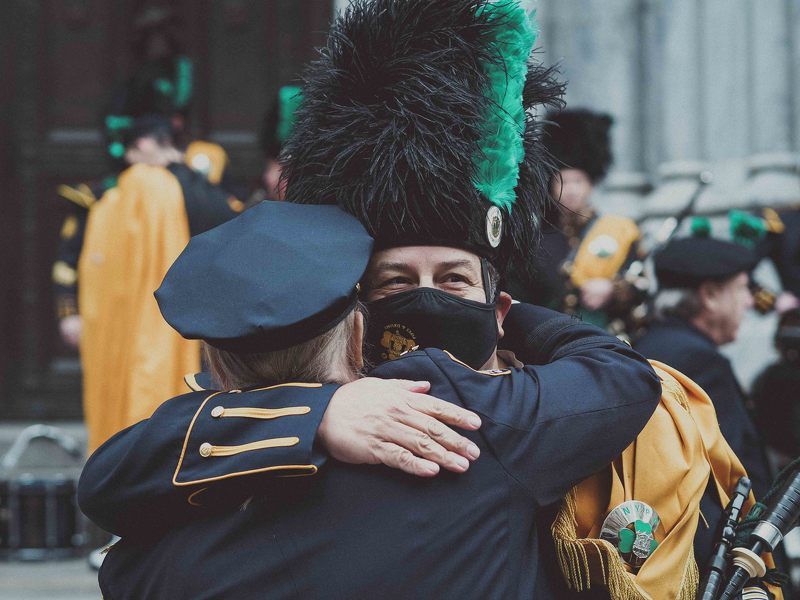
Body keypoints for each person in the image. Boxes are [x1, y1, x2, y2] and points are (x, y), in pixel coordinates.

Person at [81, 196, 662, 599]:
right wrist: (497, 317)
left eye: (454, 281)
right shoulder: (456, 410)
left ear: (213, 359)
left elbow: (107, 488)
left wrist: (308, 417)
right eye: (398, 283)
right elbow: (620, 376)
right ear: (360, 327)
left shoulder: (164, 520)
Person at [79, 113, 241, 454]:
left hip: (161, 317)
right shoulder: (165, 187)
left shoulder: (134, 192)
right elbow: (226, 220)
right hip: (183, 313)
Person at [633, 236, 774, 560]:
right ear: (709, 295)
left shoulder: (654, 344)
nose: (749, 301)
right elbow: (729, 475)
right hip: (717, 555)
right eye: (743, 288)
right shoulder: (700, 362)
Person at [505, 109, 647, 335]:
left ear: (591, 183)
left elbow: (640, 282)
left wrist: (613, 289)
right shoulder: (536, 238)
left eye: (578, 181)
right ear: (551, 186)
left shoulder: (618, 231)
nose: (571, 190)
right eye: (563, 182)